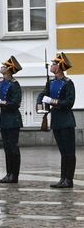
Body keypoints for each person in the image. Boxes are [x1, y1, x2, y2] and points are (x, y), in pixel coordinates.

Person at [38, 52, 77, 188]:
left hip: (66, 121)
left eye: (54, 64)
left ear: (60, 67)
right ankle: (62, 178)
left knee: (69, 152)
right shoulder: (51, 82)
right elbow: (43, 94)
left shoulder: (68, 83)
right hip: (56, 121)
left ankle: (69, 180)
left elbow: (69, 102)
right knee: (62, 152)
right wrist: (41, 103)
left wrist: (52, 101)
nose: (52, 65)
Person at [0, 55, 22, 184]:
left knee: (13, 148)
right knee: (7, 148)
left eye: (4, 66)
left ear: (9, 70)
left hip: (13, 119)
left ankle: (14, 175)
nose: (2, 67)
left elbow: (15, 103)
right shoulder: (0, 83)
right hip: (4, 120)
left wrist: (1, 103)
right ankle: (8, 174)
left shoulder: (14, 84)